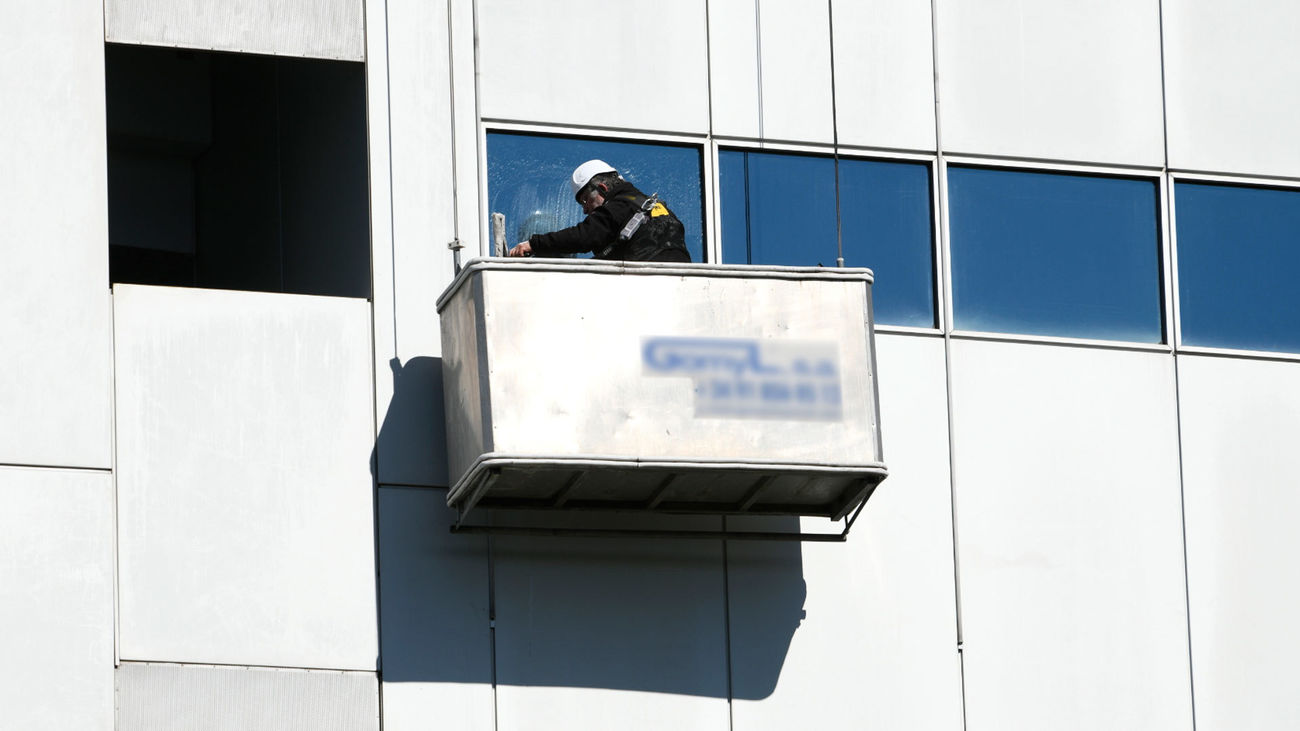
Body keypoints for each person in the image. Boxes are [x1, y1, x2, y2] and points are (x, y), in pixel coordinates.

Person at [507, 160, 692, 262]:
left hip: (648, 283)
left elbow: (584, 236)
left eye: (585, 200)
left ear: (603, 188)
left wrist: (534, 244)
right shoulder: (657, 209)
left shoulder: (620, 206)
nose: (585, 210)